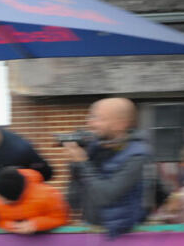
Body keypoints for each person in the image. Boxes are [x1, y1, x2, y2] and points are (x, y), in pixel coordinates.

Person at [65, 98, 152, 238]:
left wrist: (82, 162)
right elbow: (73, 200)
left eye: (98, 118)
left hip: (122, 235)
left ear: (120, 124)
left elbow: (106, 196)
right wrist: (75, 165)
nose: (90, 123)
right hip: (92, 231)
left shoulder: (138, 156)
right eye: (90, 117)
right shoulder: (96, 148)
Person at [0, 167, 68, 234]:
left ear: (18, 196)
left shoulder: (48, 195)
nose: (1, 201)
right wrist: (11, 226)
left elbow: (60, 219)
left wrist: (36, 224)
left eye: (5, 199)